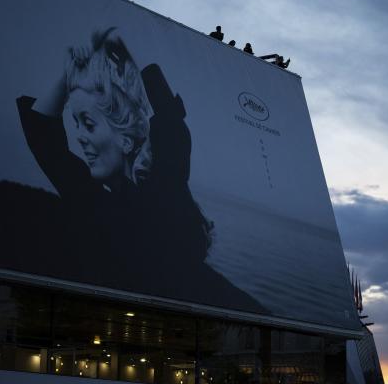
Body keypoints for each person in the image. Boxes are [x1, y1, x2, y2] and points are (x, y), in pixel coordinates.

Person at [17, 28, 267, 312]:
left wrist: (123, 56)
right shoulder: (109, 198)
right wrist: (71, 73)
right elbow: (46, 143)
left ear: (125, 140)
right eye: (77, 126)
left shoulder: (159, 191)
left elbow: (171, 129)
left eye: (89, 124)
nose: (81, 139)